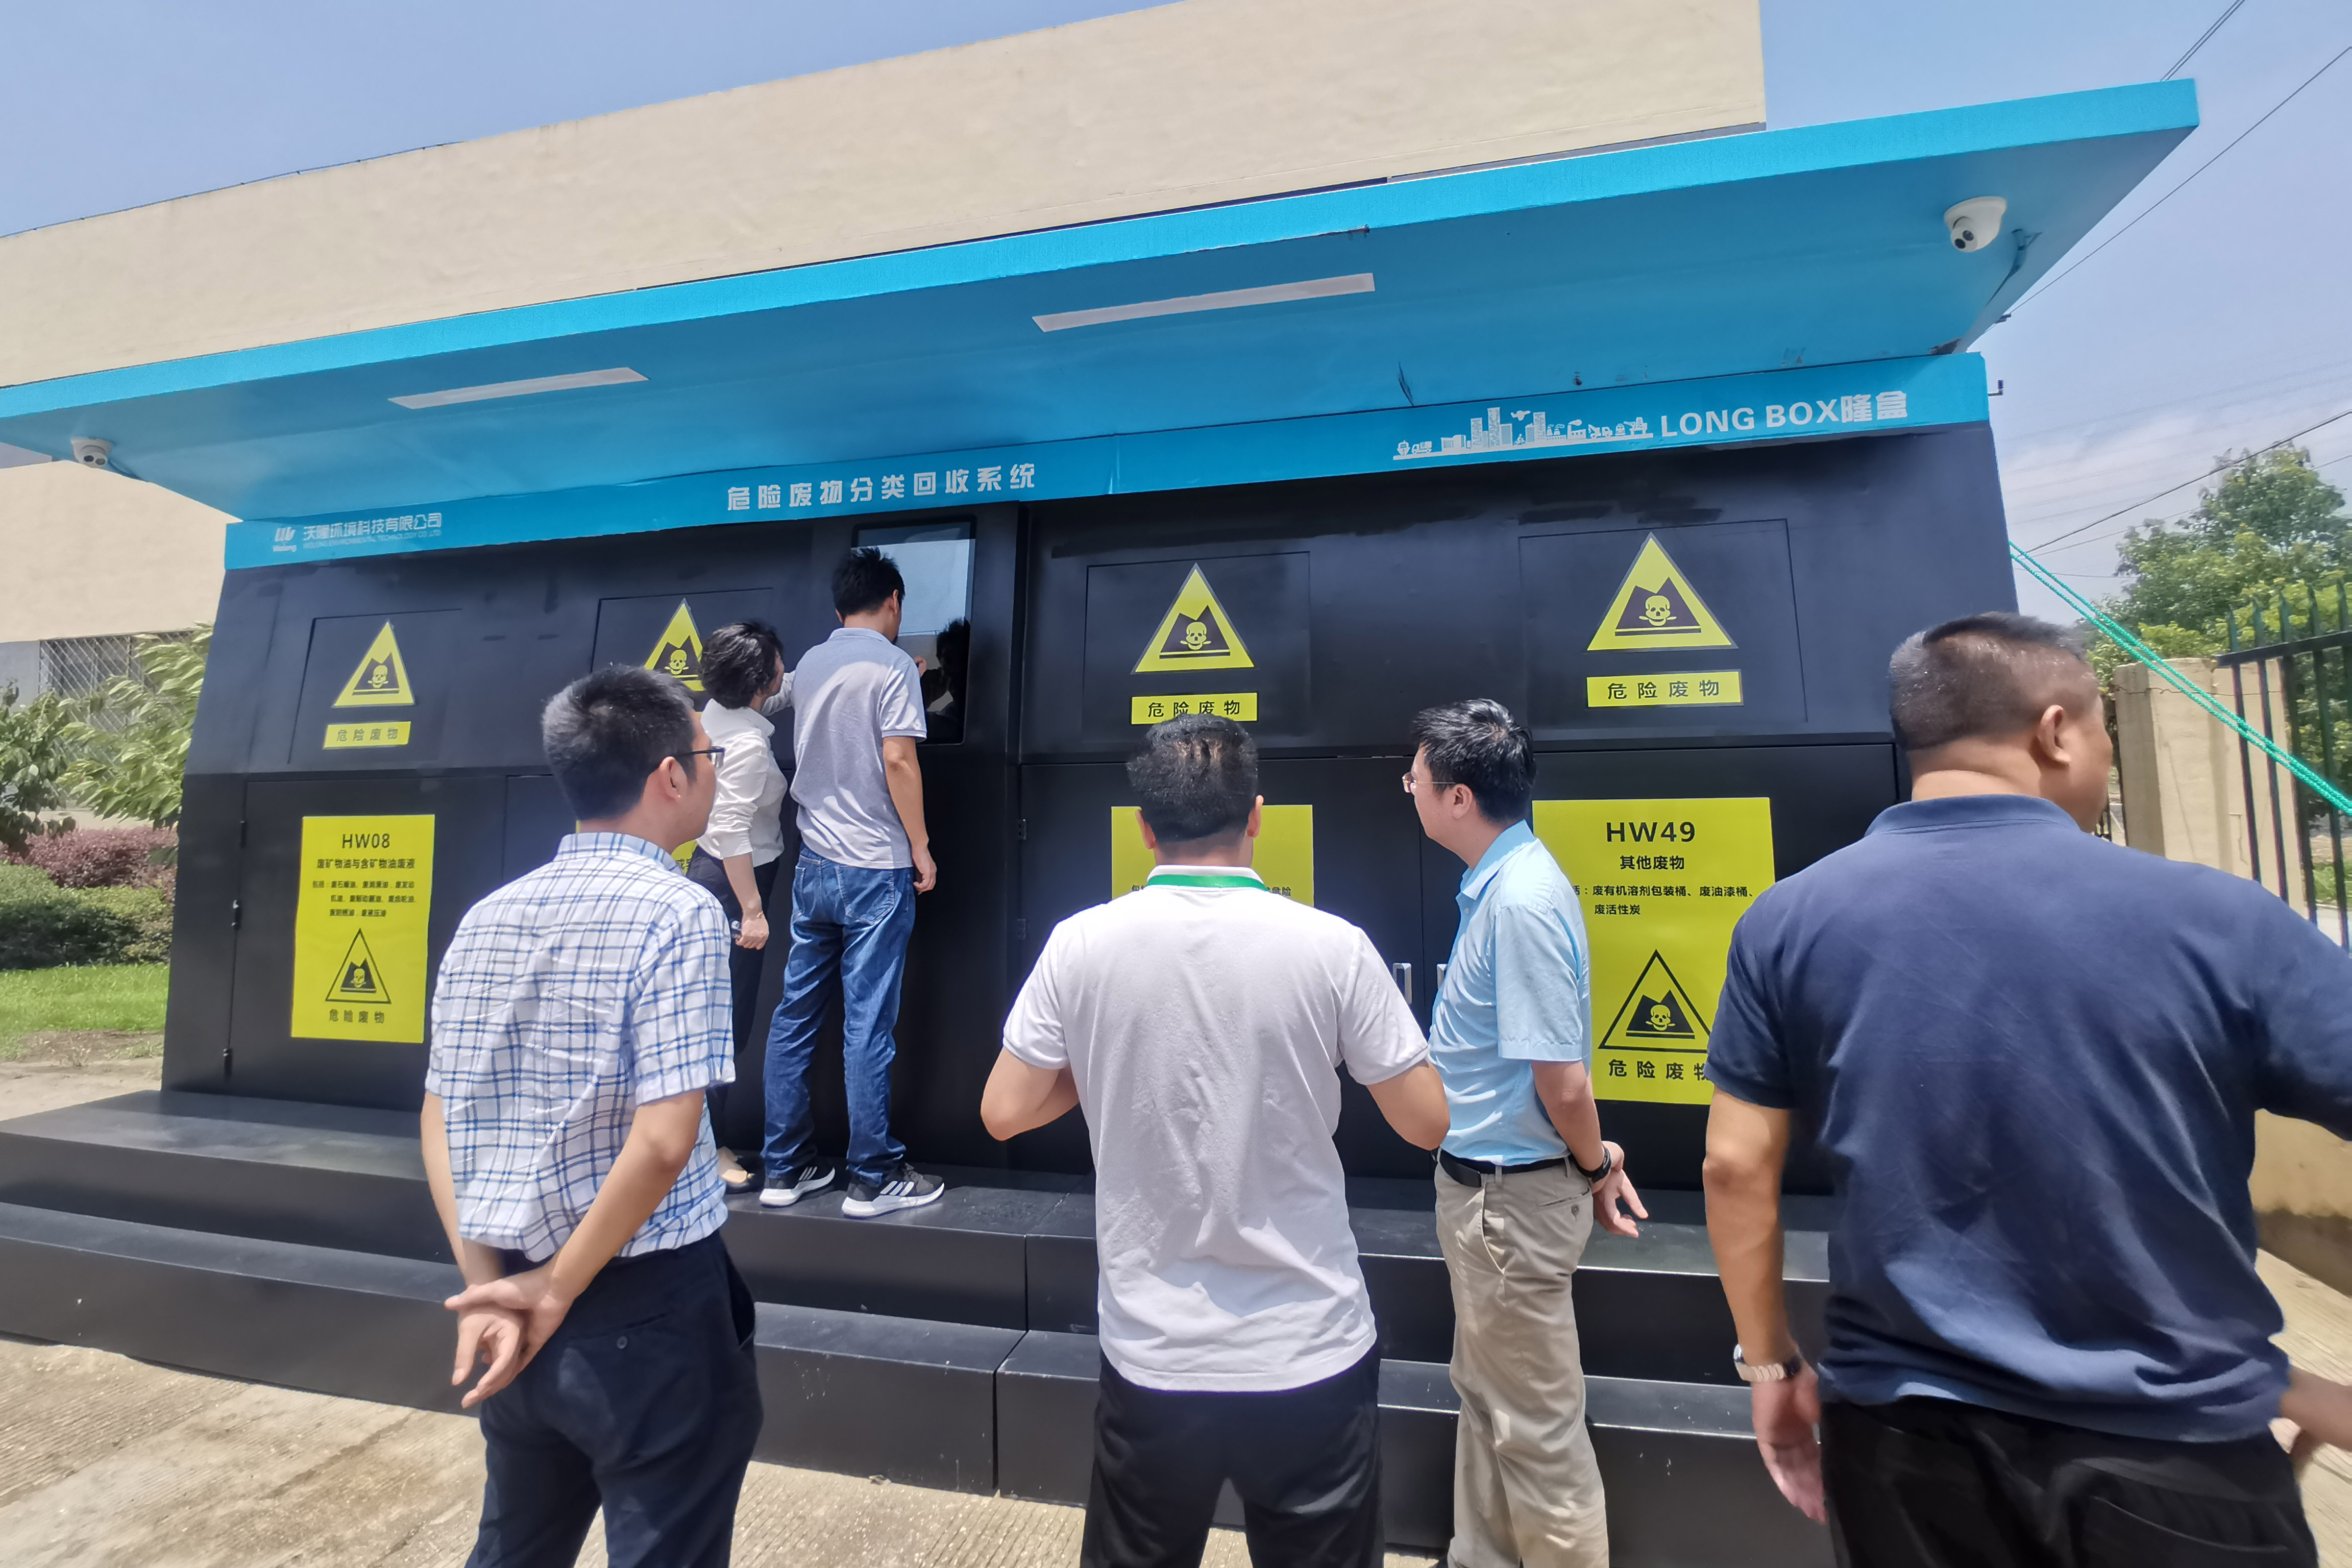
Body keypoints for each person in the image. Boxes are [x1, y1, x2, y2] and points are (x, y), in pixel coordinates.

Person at [1702, 611, 2352, 1567]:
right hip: (2176, 1455)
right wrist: (2292, 1387)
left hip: (1900, 1448)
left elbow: (1733, 1165)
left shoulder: (1785, 921)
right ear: (2055, 731)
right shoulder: (2218, 921)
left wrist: (1770, 1363)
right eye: (2103, 732)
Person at [981, 713, 1452, 1568]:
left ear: (1143, 828)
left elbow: (1004, 1111)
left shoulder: (1079, 944)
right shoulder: (1333, 947)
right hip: (1310, 1349)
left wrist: (1106, 1059)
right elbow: (1427, 1121)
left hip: (1153, 1354)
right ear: (1257, 816)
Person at [422, 664, 761, 1568]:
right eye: (708, 755)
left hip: (508, 1295)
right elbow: (665, 1140)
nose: (713, 770)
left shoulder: (487, 916)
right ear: (670, 776)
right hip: (645, 1307)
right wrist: (557, 1289)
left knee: (516, 1546)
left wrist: (490, 1288)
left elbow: (439, 1116)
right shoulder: (681, 912)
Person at [1405, 698, 1646, 1568]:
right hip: (1487, 1199)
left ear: (1458, 797)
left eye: (1415, 777)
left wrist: (1596, 1163)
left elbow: (1562, 1081)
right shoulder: (1502, 887)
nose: (1408, 788)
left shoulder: (1520, 903)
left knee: (1535, 1429)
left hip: (1509, 1205)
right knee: (1488, 1400)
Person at [762, 547, 943, 1216]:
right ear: (893, 602)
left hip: (815, 864)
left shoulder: (813, 662)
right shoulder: (892, 666)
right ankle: (872, 1176)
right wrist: (920, 846)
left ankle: (784, 1169)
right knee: (867, 1023)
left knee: (795, 1015)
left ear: (840, 608)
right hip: (874, 868)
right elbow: (899, 759)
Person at [686, 619, 793, 1189]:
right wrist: (752, 911)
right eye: (778, 666)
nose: (783, 671)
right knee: (725, 1026)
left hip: (711, 874)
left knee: (714, 1022)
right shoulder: (749, 745)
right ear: (758, 682)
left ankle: (701, 1142)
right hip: (735, 884)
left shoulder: (718, 715)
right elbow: (731, 830)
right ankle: (708, 1149)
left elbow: (778, 693)